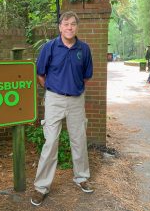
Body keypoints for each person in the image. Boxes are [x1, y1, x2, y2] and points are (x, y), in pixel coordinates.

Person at [30, 11, 94, 207]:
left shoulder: (84, 49)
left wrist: (72, 89)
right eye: (66, 24)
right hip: (54, 100)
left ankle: (81, 177)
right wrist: (54, 90)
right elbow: (40, 74)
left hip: (76, 101)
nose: (69, 27)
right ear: (60, 27)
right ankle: (41, 187)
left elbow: (86, 76)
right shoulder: (49, 47)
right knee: (50, 143)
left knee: (79, 140)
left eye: (73, 24)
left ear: (77, 27)